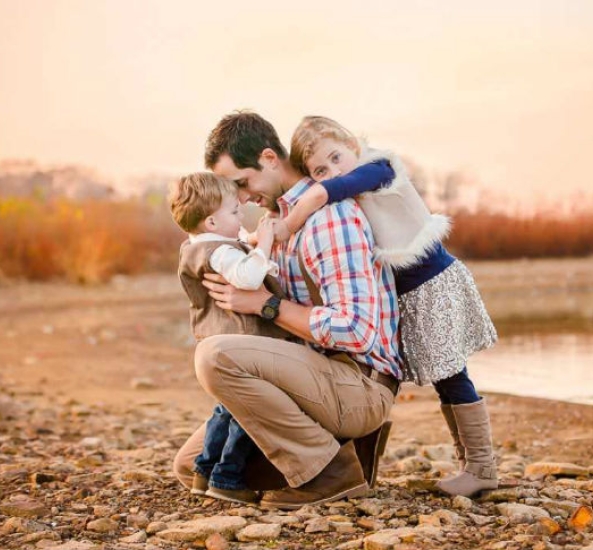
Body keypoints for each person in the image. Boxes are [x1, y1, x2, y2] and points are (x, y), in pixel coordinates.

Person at [171, 111, 402, 510]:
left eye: (242, 184)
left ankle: (331, 472)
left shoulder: (329, 217)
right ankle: (336, 451)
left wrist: (266, 305)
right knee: (192, 465)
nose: (240, 199)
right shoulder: (272, 226)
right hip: (309, 377)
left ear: (269, 158)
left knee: (215, 357)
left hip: (358, 382)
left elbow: (356, 330)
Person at [275, 116, 499, 497]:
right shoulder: (354, 185)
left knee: (452, 376)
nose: (333, 171)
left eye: (336, 157)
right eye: (320, 169)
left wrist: (286, 225)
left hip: (431, 286)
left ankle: (481, 467)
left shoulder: (379, 168)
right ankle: (472, 465)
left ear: (351, 142)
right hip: (413, 293)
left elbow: (319, 195)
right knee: (447, 380)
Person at [167, 172, 292, 504]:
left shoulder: (197, 247)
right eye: (234, 213)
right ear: (211, 221)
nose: (241, 217)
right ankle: (227, 477)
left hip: (219, 337)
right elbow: (249, 277)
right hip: (242, 340)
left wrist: (250, 243)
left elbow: (241, 258)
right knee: (247, 411)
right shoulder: (219, 252)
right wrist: (263, 243)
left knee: (227, 409)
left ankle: (204, 470)